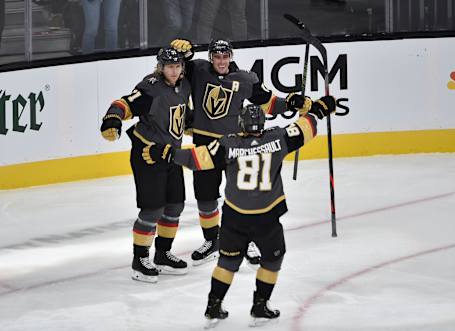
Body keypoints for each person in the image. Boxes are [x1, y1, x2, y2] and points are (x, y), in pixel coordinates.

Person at [165, 99, 336, 327]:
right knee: (273, 259)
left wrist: (168, 153)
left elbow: (196, 159)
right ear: (262, 123)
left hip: (235, 217)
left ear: (240, 124)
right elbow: (306, 127)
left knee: (227, 262)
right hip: (266, 218)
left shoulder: (227, 144)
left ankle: (213, 305)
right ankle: (260, 305)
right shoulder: (278, 138)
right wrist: (319, 109)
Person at [169, 38, 314, 267]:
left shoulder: (245, 79)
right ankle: (212, 240)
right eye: (217, 57)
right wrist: (182, 50)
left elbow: (269, 103)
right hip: (204, 143)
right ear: (210, 57)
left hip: (234, 145)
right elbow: (174, 69)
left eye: (225, 57)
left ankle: (252, 241)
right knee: (205, 197)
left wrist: (292, 103)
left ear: (231, 57)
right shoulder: (197, 70)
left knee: (243, 195)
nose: (221, 61)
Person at [100, 47, 192, 283]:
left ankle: (162, 254)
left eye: (177, 66)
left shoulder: (184, 85)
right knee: (153, 209)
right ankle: (139, 260)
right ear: (160, 68)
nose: (174, 70)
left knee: (175, 206)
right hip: (147, 154)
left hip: (171, 153)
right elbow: (124, 103)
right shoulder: (151, 88)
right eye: (169, 67)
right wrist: (112, 118)